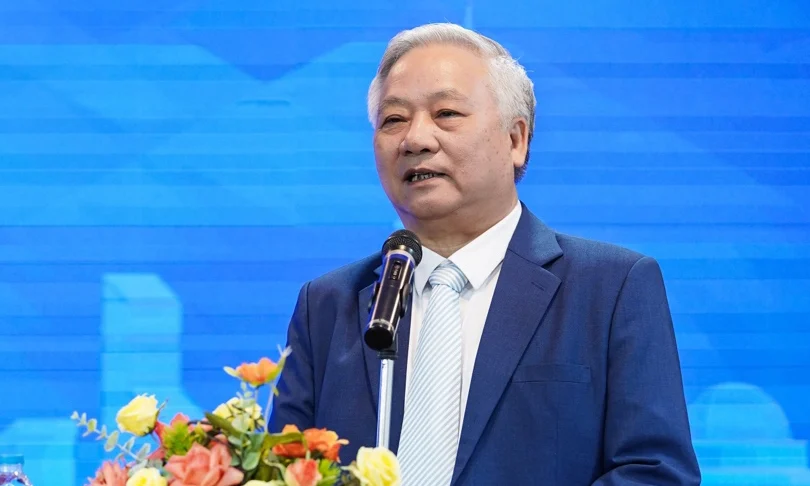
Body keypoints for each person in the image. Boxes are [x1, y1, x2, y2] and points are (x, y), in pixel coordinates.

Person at [270, 22, 701, 485]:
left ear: (516, 139)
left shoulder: (612, 288)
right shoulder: (326, 305)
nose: (415, 139)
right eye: (393, 119)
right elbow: (280, 471)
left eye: (446, 113)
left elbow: (655, 473)